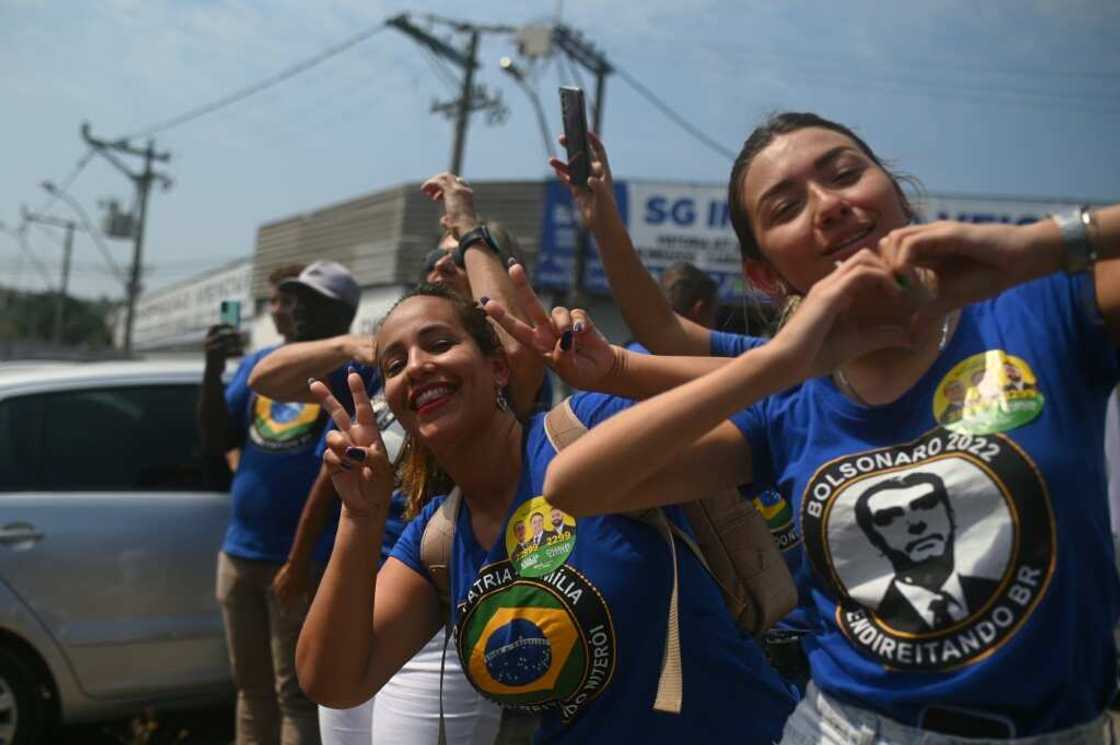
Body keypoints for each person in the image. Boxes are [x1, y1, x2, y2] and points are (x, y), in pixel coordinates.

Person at [537, 112, 1120, 743]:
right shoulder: (790, 397)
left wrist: (1040, 245)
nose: (830, 206)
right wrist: (776, 363)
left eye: (845, 174)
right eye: (786, 207)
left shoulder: (1045, 307)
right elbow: (573, 485)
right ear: (765, 276)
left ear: (897, 195)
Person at [295, 281, 797, 745]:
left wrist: (621, 370)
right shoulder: (436, 541)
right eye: (395, 364)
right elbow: (333, 681)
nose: (418, 365)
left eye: (439, 343)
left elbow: (792, 397)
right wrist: (360, 518)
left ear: (498, 367)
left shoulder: (587, 427)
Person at [199, 260, 361, 745]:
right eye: (294, 299)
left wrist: (297, 561)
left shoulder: (350, 376)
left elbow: (331, 476)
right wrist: (211, 370)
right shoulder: (262, 367)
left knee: (296, 695)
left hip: (299, 565)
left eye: (312, 302)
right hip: (240, 554)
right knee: (250, 691)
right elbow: (216, 437)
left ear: (343, 315)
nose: (297, 309)